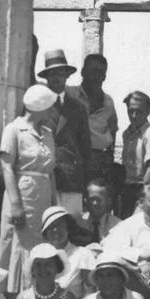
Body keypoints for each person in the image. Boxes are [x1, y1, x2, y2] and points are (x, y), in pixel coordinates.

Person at [0, 84, 58, 298]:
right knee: (19, 244)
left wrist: (54, 205)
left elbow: (50, 172)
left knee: (40, 244)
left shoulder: (48, 133)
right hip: (22, 195)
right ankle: (14, 298)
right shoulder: (14, 130)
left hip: (43, 196)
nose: (52, 111)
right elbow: (6, 167)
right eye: (49, 106)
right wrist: (16, 205)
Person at [38, 49, 92, 217]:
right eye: (52, 73)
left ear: (67, 76)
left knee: (72, 224)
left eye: (60, 73)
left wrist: (85, 182)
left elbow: (85, 147)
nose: (56, 77)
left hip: (71, 178)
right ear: (46, 77)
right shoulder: (36, 105)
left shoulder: (78, 107)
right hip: (44, 177)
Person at [68, 54, 118, 189]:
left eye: (101, 73)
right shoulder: (70, 94)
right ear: (83, 72)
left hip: (99, 162)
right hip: (74, 159)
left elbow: (113, 129)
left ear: (105, 76)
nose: (96, 76)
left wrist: (108, 157)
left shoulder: (108, 102)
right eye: (93, 71)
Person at [120, 90, 150, 217]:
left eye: (138, 112)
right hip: (127, 190)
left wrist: (142, 200)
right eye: (130, 111)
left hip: (143, 189)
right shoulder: (127, 134)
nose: (133, 115)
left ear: (147, 111)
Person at [39, 206, 95, 299]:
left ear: (68, 227)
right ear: (46, 233)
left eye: (59, 224)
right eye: (51, 226)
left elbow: (90, 296)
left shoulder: (83, 254)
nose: (55, 230)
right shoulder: (39, 258)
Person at [79, 178, 122, 244]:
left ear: (108, 201)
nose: (95, 203)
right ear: (86, 200)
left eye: (99, 199)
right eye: (92, 199)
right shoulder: (78, 223)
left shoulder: (117, 226)